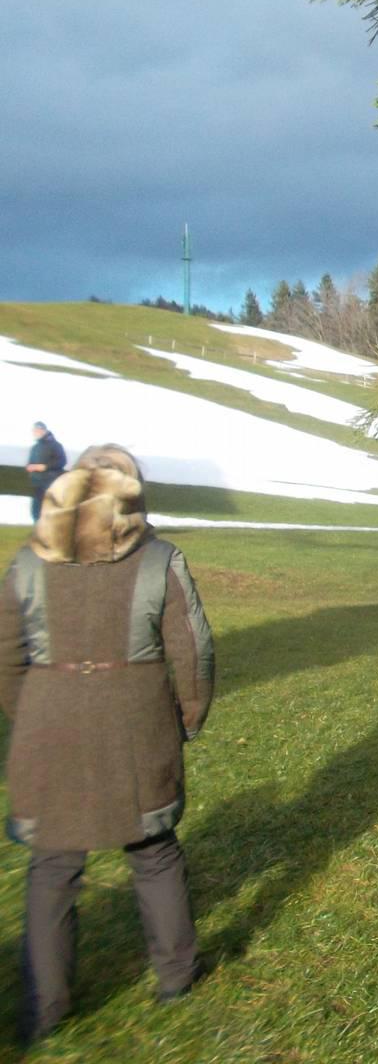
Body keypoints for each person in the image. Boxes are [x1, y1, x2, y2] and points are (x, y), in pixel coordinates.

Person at [0, 445, 215, 1043]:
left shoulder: (25, 564)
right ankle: (177, 975)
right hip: (136, 722)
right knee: (153, 853)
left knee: (53, 867)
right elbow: (192, 653)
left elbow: (5, 658)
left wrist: (34, 720)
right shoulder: (160, 560)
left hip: (48, 723)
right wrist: (186, 721)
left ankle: (45, 1008)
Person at [24, 422, 67, 523]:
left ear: (43, 430)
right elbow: (30, 463)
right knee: (36, 512)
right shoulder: (35, 448)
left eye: (36, 430)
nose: (34, 433)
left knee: (50, 510)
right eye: (33, 431)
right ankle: (38, 532)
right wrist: (30, 467)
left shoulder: (56, 445)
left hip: (51, 484)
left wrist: (45, 467)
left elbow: (62, 462)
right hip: (37, 484)